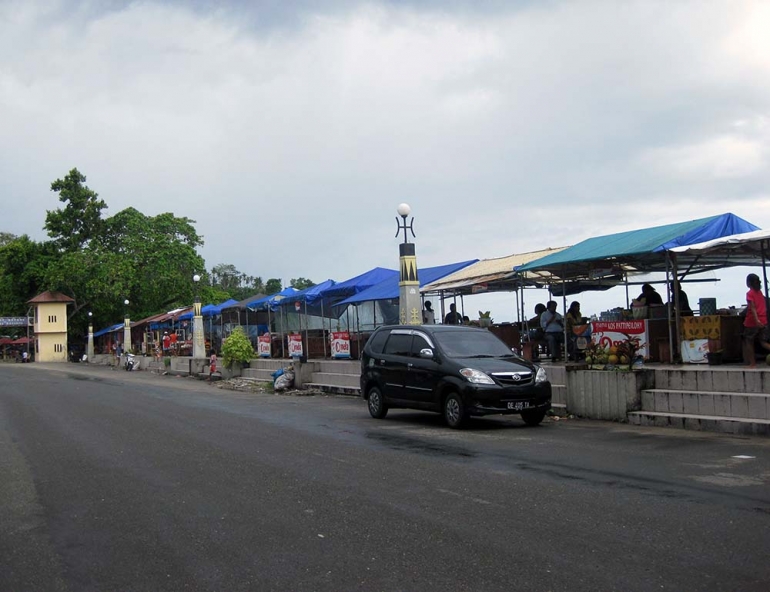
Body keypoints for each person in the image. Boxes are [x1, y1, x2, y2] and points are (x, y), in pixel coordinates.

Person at [742, 273, 770, 368]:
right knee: (763, 342)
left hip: (752, 322)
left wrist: (756, 320)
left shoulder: (750, 293)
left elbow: (753, 308)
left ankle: (752, 363)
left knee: (749, 341)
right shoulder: (760, 293)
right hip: (764, 320)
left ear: (749, 283)